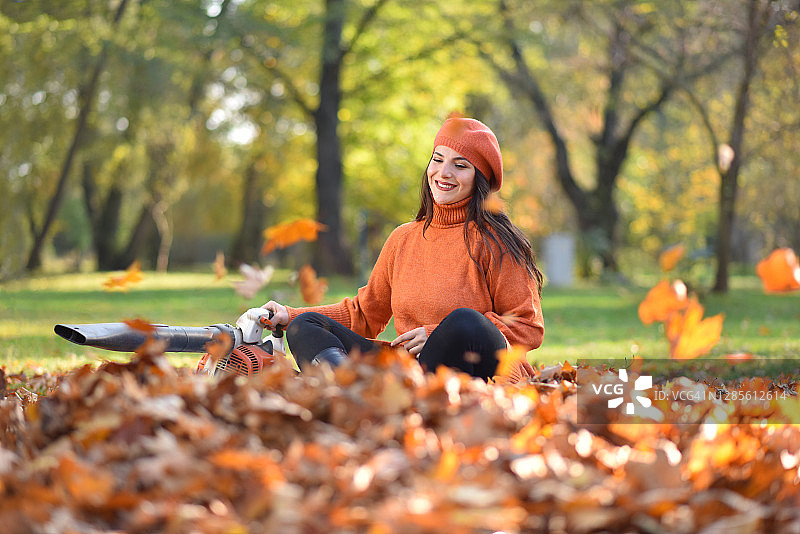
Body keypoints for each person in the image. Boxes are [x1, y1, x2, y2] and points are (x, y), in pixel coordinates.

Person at [261, 116, 544, 381]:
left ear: (480, 178)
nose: (443, 173)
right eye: (438, 159)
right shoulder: (403, 238)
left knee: (465, 322)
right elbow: (364, 313)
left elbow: (527, 326)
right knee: (307, 326)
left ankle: (403, 396)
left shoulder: (497, 242)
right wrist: (289, 315)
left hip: (474, 374)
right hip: (409, 370)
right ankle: (350, 389)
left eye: (460, 165)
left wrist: (436, 334)